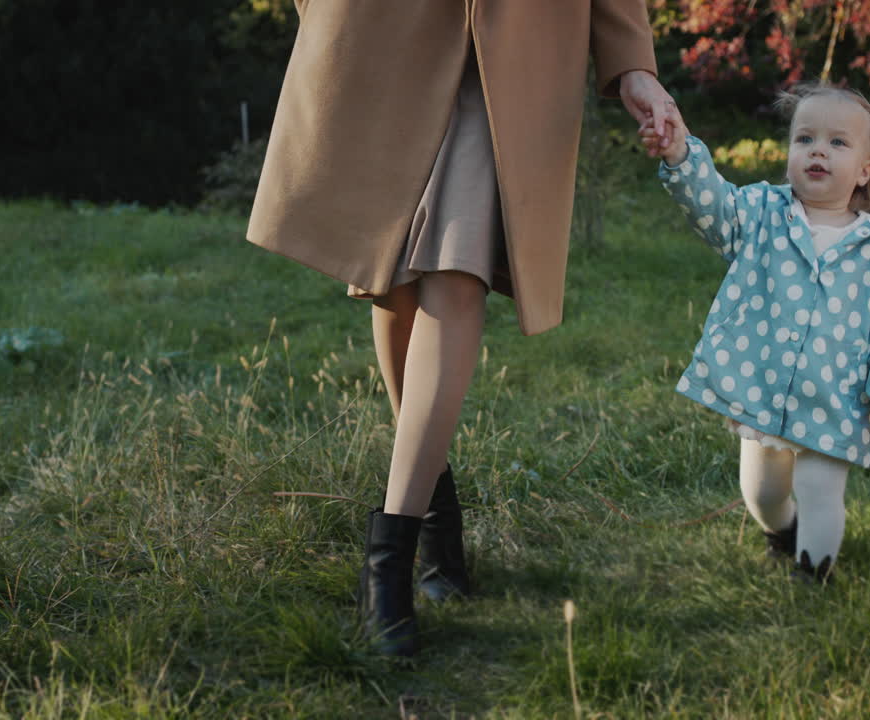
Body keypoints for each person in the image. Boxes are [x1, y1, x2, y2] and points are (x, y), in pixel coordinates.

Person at [246, 1, 676, 656]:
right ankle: (435, 521)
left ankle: (386, 561)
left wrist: (631, 63)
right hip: (387, 31)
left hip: (519, 49)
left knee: (457, 269)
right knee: (391, 279)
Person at [640, 84, 870, 583]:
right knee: (763, 494)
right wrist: (680, 153)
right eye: (805, 139)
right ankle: (784, 532)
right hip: (765, 388)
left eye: (838, 143)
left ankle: (813, 577)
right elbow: (715, 208)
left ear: (864, 170)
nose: (818, 150)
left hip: (835, 399)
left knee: (821, 489)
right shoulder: (762, 214)